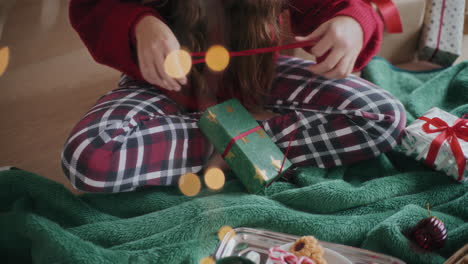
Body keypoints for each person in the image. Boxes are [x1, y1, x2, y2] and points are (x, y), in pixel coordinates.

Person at [63, 0, 406, 192]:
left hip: (257, 80)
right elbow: (91, 6)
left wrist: (353, 22)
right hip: (164, 84)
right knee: (90, 155)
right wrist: (139, 25)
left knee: (384, 116)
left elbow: (346, 6)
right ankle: (239, 142)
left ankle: (232, 145)